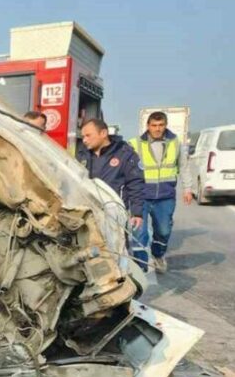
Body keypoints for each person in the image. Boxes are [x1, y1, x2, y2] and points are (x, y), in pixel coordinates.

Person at [126, 111, 194, 273]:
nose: (157, 129)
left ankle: (158, 255)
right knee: (139, 234)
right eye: (154, 125)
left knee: (163, 231)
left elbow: (183, 167)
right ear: (148, 126)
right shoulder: (135, 143)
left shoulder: (175, 143)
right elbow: (126, 169)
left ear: (165, 126)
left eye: (161, 125)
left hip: (165, 197)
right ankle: (140, 267)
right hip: (140, 196)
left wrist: (188, 188)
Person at [77, 119, 146, 258]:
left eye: (88, 135)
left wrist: (137, 212)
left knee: (117, 251)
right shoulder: (82, 154)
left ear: (103, 133)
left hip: (114, 214)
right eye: (83, 136)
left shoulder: (125, 154)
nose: (84, 140)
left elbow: (135, 183)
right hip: (88, 212)